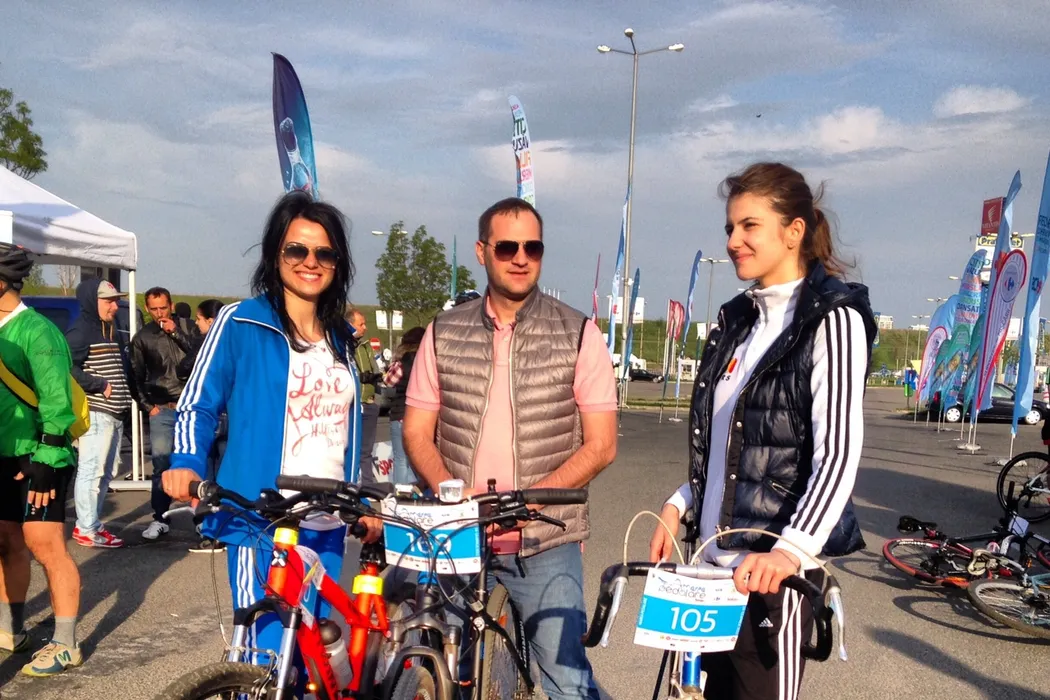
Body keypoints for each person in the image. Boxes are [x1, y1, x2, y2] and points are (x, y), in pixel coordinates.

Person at [648, 163, 875, 700]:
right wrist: (680, 502)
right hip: (708, 574)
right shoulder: (738, 322)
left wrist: (789, 551)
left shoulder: (832, 320)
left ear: (794, 231)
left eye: (749, 226)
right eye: (730, 227)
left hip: (772, 580)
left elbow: (838, 454)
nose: (733, 241)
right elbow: (731, 446)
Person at [403, 197, 618, 700]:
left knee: (567, 680)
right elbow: (416, 432)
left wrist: (529, 504)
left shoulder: (578, 333)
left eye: (532, 247)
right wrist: (453, 496)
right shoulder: (443, 331)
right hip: (458, 538)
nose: (521, 258)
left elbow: (602, 445)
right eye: (507, 247)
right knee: (439, 673)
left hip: (544, 540)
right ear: (482, 252)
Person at [161, 191, 381, 674]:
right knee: (263, 663)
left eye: (324, 253)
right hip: (264, 519)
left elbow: (344, 429)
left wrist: (362, 501)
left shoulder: (342, 338)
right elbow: (199, 402)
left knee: (313, 666)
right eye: (296, 249)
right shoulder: (240, 322)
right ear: (274, 254)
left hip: (329, 521)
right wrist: (186, 463)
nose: (310, 262)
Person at [0, 243, 84, 675]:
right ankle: (10, 630)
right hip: (3, 454)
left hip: (40, 456)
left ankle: (66, 643)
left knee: (44, 544)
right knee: (7, 541)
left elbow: (56, 400)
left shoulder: (38, 331)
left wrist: (48, 460)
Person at [66, 278, 134, 549]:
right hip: (96, 413)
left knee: (107, 471)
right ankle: (85, 528)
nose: (115, 306)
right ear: (91, 301)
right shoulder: (80, 331)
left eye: (116, 300)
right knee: (91, 471)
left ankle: (91, 523)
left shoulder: (111, 329)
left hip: (115, 414)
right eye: (108, 301)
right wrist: (99, 384)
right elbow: (66, 368)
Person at [130, 286, 191, 541]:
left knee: (196, 462)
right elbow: (134, 376)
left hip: (190, 408)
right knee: (161, 464)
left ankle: (202, 519)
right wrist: (148, 407)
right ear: (147, 309)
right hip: (162, 410)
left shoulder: (187, 328)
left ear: (172, 306)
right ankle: (160, 518)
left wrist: (176, 333)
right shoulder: (142, 338)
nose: (159, 313)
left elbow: (200, 355)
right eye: (153, 309)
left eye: (163, 308)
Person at [172, 298, 227, 554]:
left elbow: (184, 368)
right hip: (229, 418)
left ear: (211, 321)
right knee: (224, 476)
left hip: (211, 417)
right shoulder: (239, 345)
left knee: (207, 478)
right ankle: (221, 530)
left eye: (199, 319)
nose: (196, 324)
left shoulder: (210, 345)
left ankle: (211, 531)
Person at [382, 326, 425, 485]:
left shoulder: (400, 364)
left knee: (400, 458)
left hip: (400, 413)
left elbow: (388, 382)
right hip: (421, 416)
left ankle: (401, 493)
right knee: (420, 457)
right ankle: (420, 488)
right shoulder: (428, 363)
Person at [348, 309, 382, 484]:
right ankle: (349, 483)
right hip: (354, 404)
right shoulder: (344, 345)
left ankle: (367, 486)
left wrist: (375, 377)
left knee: (366, 450)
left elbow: (375, 369)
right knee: (351, 448)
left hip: (369, 403)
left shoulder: (365, 346)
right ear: (350, 325)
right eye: (361, 324)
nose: (365, 328)